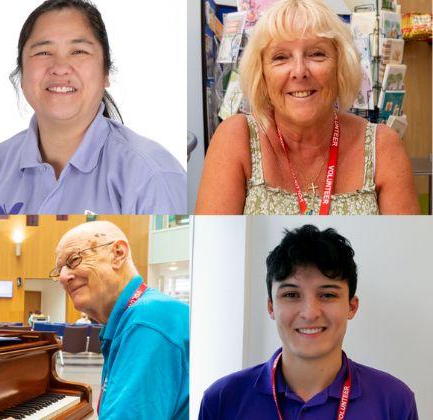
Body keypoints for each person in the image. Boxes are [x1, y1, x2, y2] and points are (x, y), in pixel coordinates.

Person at [0, 0, 186, 215]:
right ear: (21, 72)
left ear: (105, 73)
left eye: (79, 51)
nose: (60, 67)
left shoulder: (152, 175)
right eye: (43, 52)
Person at [196, 0, 417, 215]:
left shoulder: (383, 147)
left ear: (340, 65)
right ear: (261, 73)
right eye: (281, 57)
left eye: (316, 54)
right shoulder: (235, 138)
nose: (299, 71)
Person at [199, 225, 418, 419]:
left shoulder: (394, 400)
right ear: (271, 307)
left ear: (351, 306)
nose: (310, 313)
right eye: (292, 295)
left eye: (328, 295)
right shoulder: (223, 399)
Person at [52, 221, 189, 419]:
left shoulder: (147, 322)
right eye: (59, 270)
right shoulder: (138, 315)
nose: (63, 277)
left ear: (118, 254)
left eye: (73, 260)